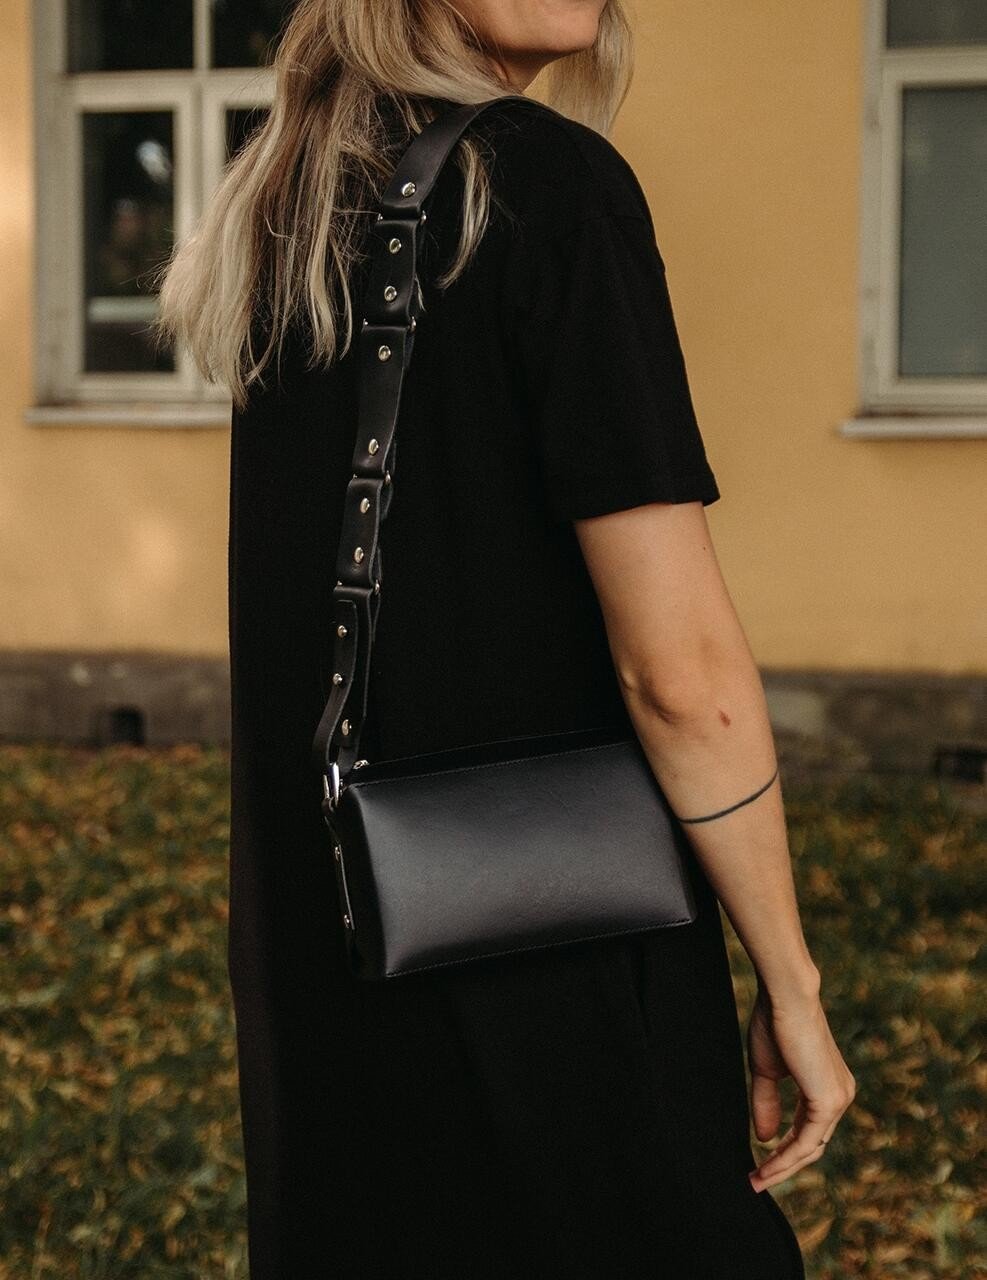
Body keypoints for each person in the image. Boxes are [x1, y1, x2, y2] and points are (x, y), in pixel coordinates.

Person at [155, 1, 855, 1275]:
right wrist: (793, 983)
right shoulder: (548, 189)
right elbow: (680, 673)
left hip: (339, 931)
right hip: (552, 950)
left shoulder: (290, 200)